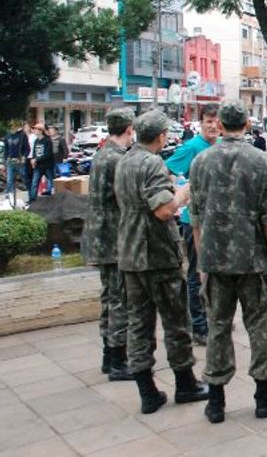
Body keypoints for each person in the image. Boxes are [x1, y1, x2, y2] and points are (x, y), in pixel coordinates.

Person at [189, 99, 267, 424]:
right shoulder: (260, 161)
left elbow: (197, 220)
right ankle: (263, 396)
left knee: (218, 327)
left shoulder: (201, 162)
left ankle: (215, 401)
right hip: (252, 259)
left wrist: (203, 263)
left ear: (219, 124)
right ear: (246, 124)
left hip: (215, 260)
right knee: (257, 325)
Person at [115, 109, 209, 414]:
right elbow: (164, 211)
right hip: (156, 255)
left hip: (130, 254)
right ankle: (186, 384)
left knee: (139, 325)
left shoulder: (124, 160)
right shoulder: (151, 163)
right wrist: (183, 192)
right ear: (160, 136)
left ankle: (147, 391)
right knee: (175, 322)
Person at [82, 109, 136, 382]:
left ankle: (108, 355)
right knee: (119, 299)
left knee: (109, 297)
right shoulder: (117, 159)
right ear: (128, 129)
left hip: (98, 236)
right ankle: (117, 359)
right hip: (113, 238)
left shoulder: (102, 154)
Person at [164, 103, 220, 345]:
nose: (212, 126)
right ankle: (198, 325)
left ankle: (212, 318)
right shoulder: (192, 147)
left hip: (217, 222)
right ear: (201, 123)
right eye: (208, 121)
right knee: (197, 274)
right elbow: (166, 170)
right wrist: (177, 195)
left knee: (215, 274)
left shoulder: (220, 146)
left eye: (216, 121)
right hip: (193, 221)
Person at [4, 122, 30, 204]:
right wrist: (5, 159)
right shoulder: (7, 136)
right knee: (9, 180)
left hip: (20, 160)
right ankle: (9, 197)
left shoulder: (22, 135)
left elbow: (27, 149)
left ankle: (31, 193)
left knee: (24, 177)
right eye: (10, 126)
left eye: (13, 126)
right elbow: (6, 150)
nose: (12, 128)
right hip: (10, 161)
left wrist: (24, 157)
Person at [28, 122, 54, 202]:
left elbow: (48, 154)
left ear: (41, 131)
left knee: (51, 181)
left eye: (36, 129)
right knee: (34, 182)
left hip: (47, 165)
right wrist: (33, 160)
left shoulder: (47, 140)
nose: (34, 131)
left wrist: (36, 160)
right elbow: (34, 152)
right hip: (38, 166)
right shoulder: (36, 141)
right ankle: (32, 199)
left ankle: (52, 197)